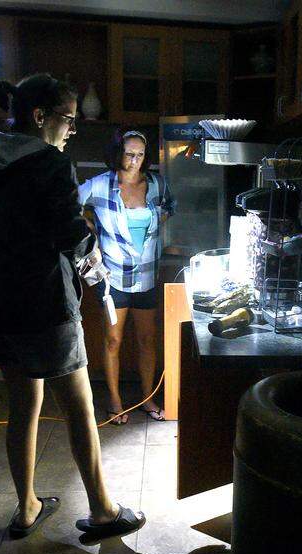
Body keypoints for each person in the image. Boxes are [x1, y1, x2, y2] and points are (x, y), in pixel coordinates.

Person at [0, 73, 145, 539]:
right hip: (44, 305)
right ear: (40, 117)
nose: (71, 129)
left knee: (24, 403)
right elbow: (69, 234)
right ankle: (104, 510)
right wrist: (94, 263)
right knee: (80, 406)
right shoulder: (50, 163)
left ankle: (26, 508)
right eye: (67, 119)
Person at [77, 130, 175, 424]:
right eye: (129, 154)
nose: (134, 160)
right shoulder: (101, 185)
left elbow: (169, 208)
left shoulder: (157, 184)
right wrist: (93, 228)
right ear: (118, 153)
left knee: (147, 339)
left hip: (147, 276)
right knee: (112, 340)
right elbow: (69, 204)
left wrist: (151, 232)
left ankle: (148, 399)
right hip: (113, 277)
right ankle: (115, 400)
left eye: (140, 155)